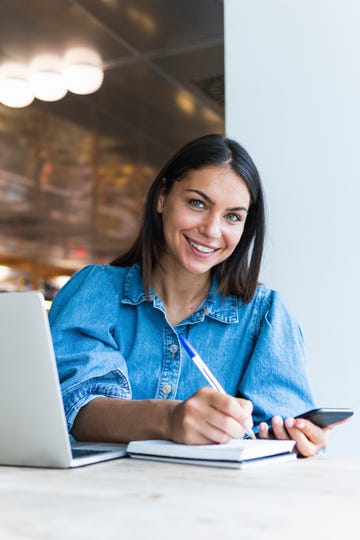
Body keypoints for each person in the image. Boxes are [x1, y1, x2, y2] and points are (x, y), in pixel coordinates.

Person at [49, 134, 331, 457]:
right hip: (97, 501)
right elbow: (77, 409)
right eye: (198, 203)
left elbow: (280, 441)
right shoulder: (96, 292)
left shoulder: (266, 316)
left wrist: (296, 444)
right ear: (162, 197)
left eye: (232, 216)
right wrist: (171, 419)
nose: (212, 230)